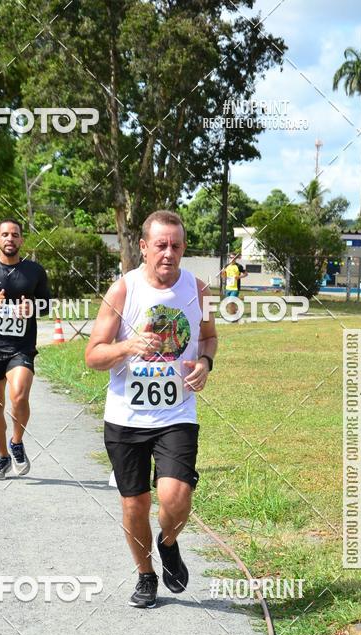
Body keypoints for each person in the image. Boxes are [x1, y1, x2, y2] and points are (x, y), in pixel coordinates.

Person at [85, 210, 218, 609]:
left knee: (175, 497)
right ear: (143, 247)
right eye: (160, 245)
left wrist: (206, 364)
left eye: (176, 245)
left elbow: (209, 337)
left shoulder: (199, 290)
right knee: (135, 504)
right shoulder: (122, 292)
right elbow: (93, 355)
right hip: (126, 416)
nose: (168, 253)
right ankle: (145, 574)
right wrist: (127, 347)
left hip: (176, 413)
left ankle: (169, 542)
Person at [0, 219, 51, 480]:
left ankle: (17, 441)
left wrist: (34, 308)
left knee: (19, 396)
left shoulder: (35, 271)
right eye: (5, 234)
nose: (10, 239)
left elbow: (47, 305)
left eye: (15, 235)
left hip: (21, 347)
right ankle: (3, 456)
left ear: (21, 240)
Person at [221, 253, 247, 318]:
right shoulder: (226, 266)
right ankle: (234, 312)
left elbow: (246, 274)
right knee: (229, 302)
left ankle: (233, 315)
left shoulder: (239, 266)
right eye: (231, 257)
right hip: (228, 287)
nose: (232, 259)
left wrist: (239, 277)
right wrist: (223, 273)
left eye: (233, 257)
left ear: (235, 258)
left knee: (231, 300)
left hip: (235, 288)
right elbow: (223, 277)